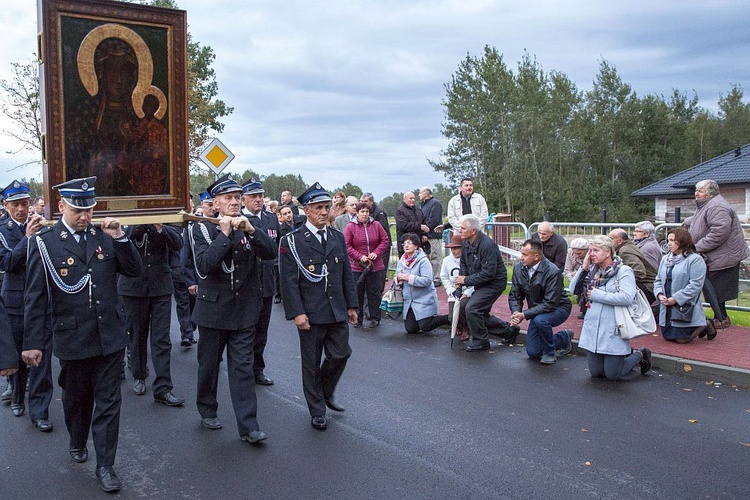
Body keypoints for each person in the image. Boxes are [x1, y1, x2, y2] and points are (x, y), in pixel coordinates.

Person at [22, 177, 141, 492]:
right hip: (73, 337)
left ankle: (105, 465)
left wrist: (121, 237)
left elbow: (134, 271)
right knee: (77, 400)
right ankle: (77, 438)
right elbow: (35, 296)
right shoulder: (45, 242)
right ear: (61, 206)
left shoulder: (103, 236)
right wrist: (33, 343)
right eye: (78, 210)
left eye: (89, 209)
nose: (85, 216)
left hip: (110, 335)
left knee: (109, 401)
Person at [191, 174, 275, 444]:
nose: (235, 203)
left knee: (242, 368)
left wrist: (250, 230)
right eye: (228, 198)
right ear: (215, 203)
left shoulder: (248, 227)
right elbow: (205, 264)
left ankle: (249, 426)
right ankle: (207, 408)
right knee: (209, 366)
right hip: (213, 311)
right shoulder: (202, 229)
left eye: (238, 198)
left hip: (243, 311)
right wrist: (225, 233)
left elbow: (270, 252)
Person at [279, 182, 358, 431]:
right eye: (319, 208)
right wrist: (297, 313)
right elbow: (288, 281)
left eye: (326, 207)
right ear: (306, 210)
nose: (324, 212)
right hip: (311, 313)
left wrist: (352, 305)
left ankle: (325, 391)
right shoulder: (292, 241)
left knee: (341, 353)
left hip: (336, 309)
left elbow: (346, 274)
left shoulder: (336, 237)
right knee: (311, 363)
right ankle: (317, 410)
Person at [0, 180, 54, 430]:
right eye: (15, 205)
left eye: (24, 204)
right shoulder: (2, 230)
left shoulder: (44, 227)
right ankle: (18, 396)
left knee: (41, 358)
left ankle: (40, 410)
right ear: (5, 206)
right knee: (19, 355)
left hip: (41, 301)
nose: (21, 210)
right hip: (15, 301)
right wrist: (27, 238)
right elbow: (8, 262)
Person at [568, 235, 652, 381]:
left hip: (613, 326)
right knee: (596, 373)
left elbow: (626, 298)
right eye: (590, 251)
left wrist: (597, 294)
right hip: (593, 327)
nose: (591, 254)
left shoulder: (623, 271)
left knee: (613, 375)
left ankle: (640, 355)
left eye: (595, 250)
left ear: (607, 252)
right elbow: (573, 289)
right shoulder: (592, 270)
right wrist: (584, 267)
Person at [119, 223, 184, 406]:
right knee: (137, 335)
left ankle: (164, 387)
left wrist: (159, 227)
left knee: (161, 339)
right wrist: (141, 224)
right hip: (132, 286)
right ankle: (139, 375)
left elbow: (178, 243)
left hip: (160, 286)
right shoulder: (129, 221)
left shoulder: (164, 221)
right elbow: (122, 238)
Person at [684, 179, 750, 328]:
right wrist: (688, 222)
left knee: (717, 289)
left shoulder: (717, 206)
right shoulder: (708, 205)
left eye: (700, 191)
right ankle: (720, 317)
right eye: (696, 190)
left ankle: (721, 318)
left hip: (724, 256)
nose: (696, 193)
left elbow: (718, 233)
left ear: (710, 193)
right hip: (718, 256)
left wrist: (696, 247)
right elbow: (700, 219)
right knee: (714, 288)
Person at [240, 178, 281, 386]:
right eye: (254, 196)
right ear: (243, 198)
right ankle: (243, 369)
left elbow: (277, 248)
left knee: (261, 332)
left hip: (266, 283)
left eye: (260, 195)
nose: (258, 199)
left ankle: (257, 369)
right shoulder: (238, 219)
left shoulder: (271, 218)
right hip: (246, 285)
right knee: (246, 330)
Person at [509, 240, 573, 365]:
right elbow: (515, 295)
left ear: (536, 256)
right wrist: (516, 311)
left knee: (541, 320)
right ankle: (563, 337)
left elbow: (550, 303)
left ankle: (550, 352)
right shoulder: (518, 269)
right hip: (537, 310)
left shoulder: (553, 271)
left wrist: (525, 314)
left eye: (525, 254)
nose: (521, 258)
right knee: (533, 352)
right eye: (521, 254)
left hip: (559, 307)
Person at [454, 214, 507, 352]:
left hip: (494, 283)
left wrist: (466, 280)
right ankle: (508, 331)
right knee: (477, 312)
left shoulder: (487, 245)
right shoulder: (466, 243)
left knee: (473, 308)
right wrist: (461, 281)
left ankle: (481, 341)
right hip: (480, 282)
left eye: (463, 228)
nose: (460, 230)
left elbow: (489, 273)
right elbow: (464, 263)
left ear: (473, 231)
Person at [654, 228, 716, 343]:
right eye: (668, 240)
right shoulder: (665, 259)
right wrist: (659, 294)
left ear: (682, 241)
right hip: (666, 303)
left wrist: (676, 298)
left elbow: (695, 285)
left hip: (684, 304)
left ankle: (705, 324)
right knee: (667, 337)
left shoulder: (695, 260)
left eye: (672, 240)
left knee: (681, 340)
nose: (669, 243)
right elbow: (658, 279)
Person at [344, 202, 390, 329]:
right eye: (362, 212)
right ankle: (358, 318)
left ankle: (375, 317)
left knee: (374, 292)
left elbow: (384, 240)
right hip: (357, 266)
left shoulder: (376, 225)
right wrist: (360, 256)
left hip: (375, 265)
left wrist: (376, 253)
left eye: (367, 212)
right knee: (358, 292)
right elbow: (346, 245)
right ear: (357, 213)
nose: (365, 214)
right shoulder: (350, 227)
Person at [395, 233, 450, 334]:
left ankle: (448, 318)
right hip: (409, 301)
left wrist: (409, 278)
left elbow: (427, 280)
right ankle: (418, 319)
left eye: (409, 243)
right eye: (404, 244)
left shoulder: (423, 261)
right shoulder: (401, 261)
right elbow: (396, 277)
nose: (406, 246)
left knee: (425, 326)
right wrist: (398, 279)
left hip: (424, 299)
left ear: (416, 246)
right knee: (411, 329)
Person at [609, 228, 657, 308]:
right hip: (649, 286)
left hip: (647, 287)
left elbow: (639, 272)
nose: (609, 242)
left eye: (611, 239)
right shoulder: (627, 247)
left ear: (620, 241)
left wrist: (624, 283)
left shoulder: (625, 251)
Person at [440, 234, 474, 341]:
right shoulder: (446, 261)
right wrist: (450, 290)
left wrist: (467, 292)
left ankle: (466, 328)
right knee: (452, 317)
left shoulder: (471, 260)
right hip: (454, 293)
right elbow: (444, 277)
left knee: (463, 306)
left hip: (468, 292)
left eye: (456, 248)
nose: (453, 251)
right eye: (452, 249)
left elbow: (475, 279)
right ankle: (457, 325)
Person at [419, 187, 444, 283]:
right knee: (427, 257)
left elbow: (433, 219)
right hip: (426, 236)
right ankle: (429, 277)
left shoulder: (435, 203)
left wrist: (426, 231)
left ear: (426, 193)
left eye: (420, 192)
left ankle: (436, 278)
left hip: (434, 235)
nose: (419, 195)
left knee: (435, 257)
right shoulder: (423, 205)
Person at [395, 191, 429, 258]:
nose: (413, 200)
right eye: (410, 198)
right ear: (404, 199)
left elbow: (423, 222)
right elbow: (403, 226)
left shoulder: (418, 210)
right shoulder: (399, 211)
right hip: (405, 244)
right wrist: (419, 226)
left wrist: (424, 234)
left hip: (418, 244)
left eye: (414, 198)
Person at [565, 237, 590, 319]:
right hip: (576, 277)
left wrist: (577, 274)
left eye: (579, 253)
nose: (576, 255)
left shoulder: (592, 253)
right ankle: (583, 309)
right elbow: (567, 270)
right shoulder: (569, 252)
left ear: (587, 250)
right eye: (574, 253)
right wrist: (575, 282)